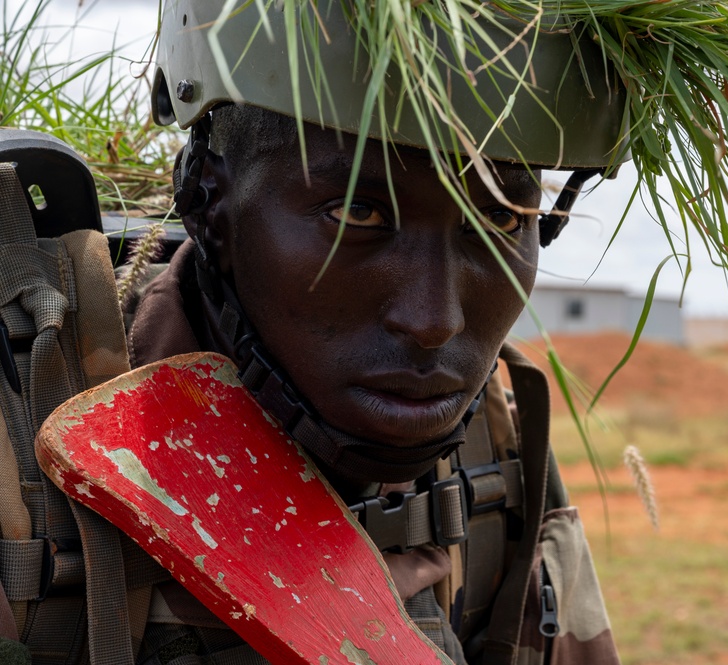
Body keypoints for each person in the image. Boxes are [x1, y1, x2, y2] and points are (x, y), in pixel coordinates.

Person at [118, 2, 623, 664]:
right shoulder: (29, 464)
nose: (434, 320)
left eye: (502, 219)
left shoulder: (492, 444)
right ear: (209, 204)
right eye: (355, 210)